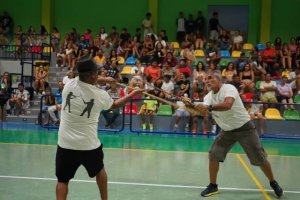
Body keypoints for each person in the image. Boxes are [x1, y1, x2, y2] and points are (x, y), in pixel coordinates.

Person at [55, 55, 142, 200]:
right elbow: (115, 105)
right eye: (97, 72)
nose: (99, 74)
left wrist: (106, 79)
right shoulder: (99, 95)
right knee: (100, 171)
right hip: (88, 145)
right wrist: (133, 94)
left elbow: (83, 78)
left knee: (62, 181)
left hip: (65, 144)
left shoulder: (69, 85)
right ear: (93, 75)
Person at [199, 71, 283, 198]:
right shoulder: (208, 97)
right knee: (214, 154)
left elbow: (227, 105)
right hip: (227, 131)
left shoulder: (229, 88)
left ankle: (273, 182)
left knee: (259, 158)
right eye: (206, 79)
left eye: (210, 78)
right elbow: (203, 109)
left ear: (219, 80)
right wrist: (192, 105)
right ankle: (213, 186)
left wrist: (208, 108)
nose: (207, 81)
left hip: (245, 129)